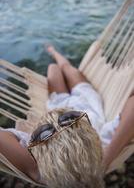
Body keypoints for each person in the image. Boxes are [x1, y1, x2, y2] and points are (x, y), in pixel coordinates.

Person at [0, 45, 134, 188]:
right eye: (71, 118)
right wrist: (105, 160)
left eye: (44, 132)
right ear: (93, 136)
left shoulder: (42, 170)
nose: (57, 118)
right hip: (86, 99)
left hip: (57, 101)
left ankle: (53, 53)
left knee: (53, 68)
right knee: (66, 67)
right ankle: (55, 52)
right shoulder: (103, 145)